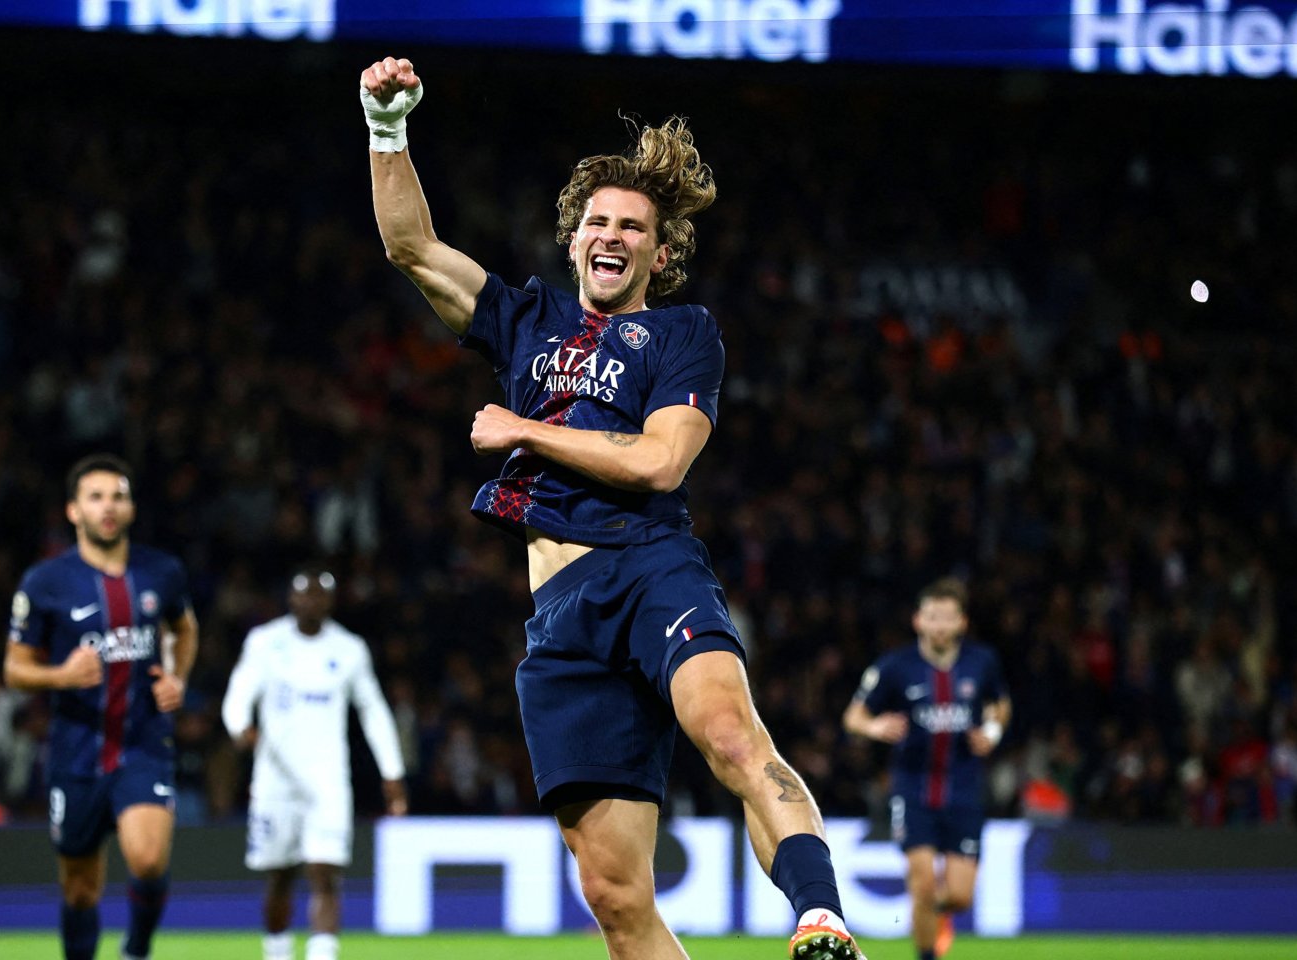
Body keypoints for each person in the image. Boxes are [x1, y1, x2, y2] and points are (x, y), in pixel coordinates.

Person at [362, 57, 862, 960]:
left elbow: (661, 462)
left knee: (730, 736)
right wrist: (385, 127)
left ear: (659, 255)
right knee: (614, 897)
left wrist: (524, 427)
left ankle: (821, 917)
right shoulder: (525, 320)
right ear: (573, 241)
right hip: (559, 619)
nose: (612, 235)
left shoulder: (682, 333)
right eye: (598, 221)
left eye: (633, 226)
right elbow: (412, 248)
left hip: (649, 568)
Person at [3, 454, 199, 960]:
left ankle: (136, 948)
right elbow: (14, 668)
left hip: (143, 743)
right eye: (95, 497)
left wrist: (176, 677)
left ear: (131, 508)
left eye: (118, 497)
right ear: (74, 511)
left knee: (148, 860)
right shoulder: (46, 581)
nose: (108, 507)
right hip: (76, 752)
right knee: (80, 888)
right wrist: (61, 676)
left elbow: (185, 628)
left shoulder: (162, 572)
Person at [221, 569, 408, 960]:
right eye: (304, 594)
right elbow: (238, 693)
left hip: (328, 780)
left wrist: (391, 772)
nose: (311, 601)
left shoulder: (349, 649)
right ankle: (277, 951)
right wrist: (240, 727)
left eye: (319, 595)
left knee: (325, 874)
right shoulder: (265, 642)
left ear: (331, 601)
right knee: (280, 876)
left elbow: (372, 710)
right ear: (291, 598)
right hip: (275, 779)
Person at [843, 578, 1010, 960]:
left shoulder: (981, 662)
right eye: (932, 617)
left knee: (960, 896)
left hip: (964, 789)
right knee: (921, 884)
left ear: (962, 622)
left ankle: (937, 917)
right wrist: (875, 727)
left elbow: (1000, 704)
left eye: (947, 618)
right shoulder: (895, 666)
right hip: (912, 788)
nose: (939, 626)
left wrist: (993, 731)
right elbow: (853, 716)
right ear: (918, 620)